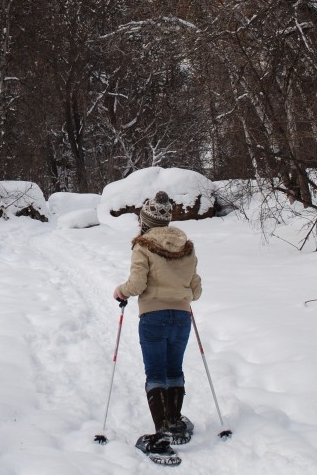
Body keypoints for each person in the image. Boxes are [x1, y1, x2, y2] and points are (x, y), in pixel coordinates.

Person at [113, 190, 202, 466]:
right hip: (181, 317)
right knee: (174, 370)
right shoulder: (187, 246)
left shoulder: (142, 246)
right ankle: (174, 422)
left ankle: (162, 435)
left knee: (156, 373)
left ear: (146, 221)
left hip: (153, 316)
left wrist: (121, 291)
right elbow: (196, 290)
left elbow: (137, 285)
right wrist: (181, 291)